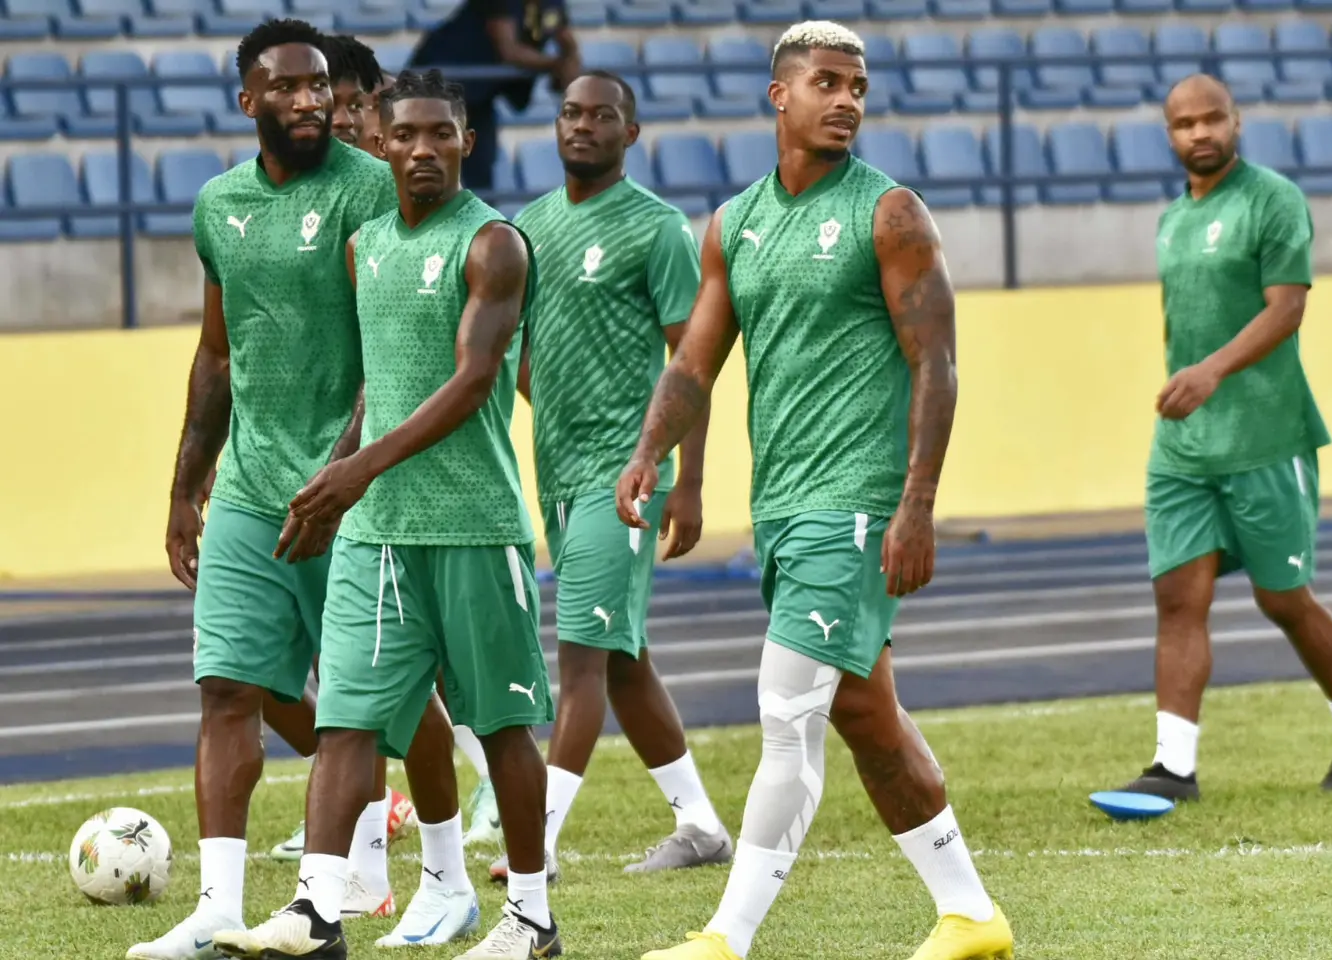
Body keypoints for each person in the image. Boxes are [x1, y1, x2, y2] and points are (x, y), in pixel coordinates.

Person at [617, 21, 1012, 960]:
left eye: (858, 86)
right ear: (778, 96)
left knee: (787, 715)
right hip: (787, 505)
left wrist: (917, 505)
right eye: (826, 83)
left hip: (858, 503)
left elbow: (937, 367)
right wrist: (648, 453)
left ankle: (726, 937)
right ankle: (971, 916)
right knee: (868, 716)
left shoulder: (892, 213)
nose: (846, 101)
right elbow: (695, 363)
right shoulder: (734, 223)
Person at [214, 68, 562, 960]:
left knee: (500, 721)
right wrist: (337, 482)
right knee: (347, 722)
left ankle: (532, 919)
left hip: (474, 527)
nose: (419, 151)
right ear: (381, 142)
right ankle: (316, 910)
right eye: (403, 136)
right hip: (377, 531)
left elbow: (472, 381)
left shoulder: (494, 244)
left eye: (439, 135)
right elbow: (381, 387)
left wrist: (355, 471)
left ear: (466, 142)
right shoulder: (366, 244)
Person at [139, 21, 459, 960]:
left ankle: (443, 882)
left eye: (320, 86)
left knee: (403, 708)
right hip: (248, 490)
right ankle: (217, 906)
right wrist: (184, 487)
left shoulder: (372, 192)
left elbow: (397, 343)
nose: (311, 100)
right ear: (249, 101)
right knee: (229, 690)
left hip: (356, 494)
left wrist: (348, 467)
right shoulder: (217, 206)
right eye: (286, 87)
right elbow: (216, 351)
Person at [487, 70, 731, 886]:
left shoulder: (657, 229)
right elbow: (519, 353)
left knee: (582, 655)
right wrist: (551, 402)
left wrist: (684, 479)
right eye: (569, 112)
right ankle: (698, 822)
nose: (582, 125)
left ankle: (538, 844)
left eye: (602, 116)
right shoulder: (528, 229)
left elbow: (692, 362)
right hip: (556, 469)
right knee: (622, 659)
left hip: (625, 475)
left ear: (632, 134)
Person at [1112, 73, 1332, 803]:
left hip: (1266, 436)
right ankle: (1174, 766)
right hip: (1184, 447)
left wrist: (1209, 372)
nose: (1199, 134)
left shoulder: (1273, 200)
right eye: (1183, 125)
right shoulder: (1172, 218)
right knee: (1177, 597)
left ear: (1235, 121)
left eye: (1212, 120)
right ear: (1168, 135)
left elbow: (1287, 309)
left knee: (1283, 599)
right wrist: (1190, 386)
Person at [258, 32, 421, 876]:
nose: (342, 117)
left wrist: (356, 458)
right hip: (282, 475)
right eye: (336, 102)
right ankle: (362, 842)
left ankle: (435, 863)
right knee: (267, 675)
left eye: (354, 103)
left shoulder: (394, 202)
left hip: (387, 477)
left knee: (414, 683)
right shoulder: (271, 201)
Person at [408, 0, 580, 191]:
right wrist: (557, 65)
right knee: (430, 164)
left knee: (481, 167)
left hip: (478, 95)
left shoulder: (552, 4)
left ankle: (479, 217)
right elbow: (509, 51)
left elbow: (566, 41)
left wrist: (569, 61)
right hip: (437, 85)